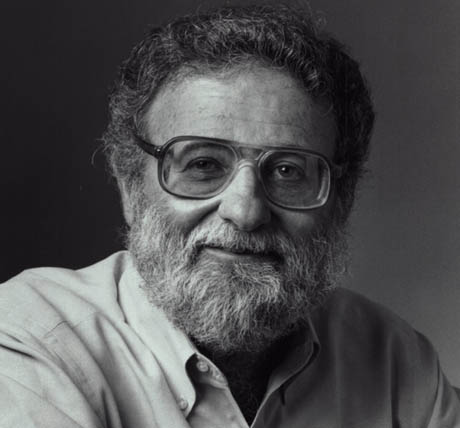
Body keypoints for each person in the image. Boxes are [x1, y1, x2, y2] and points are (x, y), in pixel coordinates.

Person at [0, 4, 459, 427]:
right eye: (202, 164)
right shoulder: (31, 339)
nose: (245, 211)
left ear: (343, 200)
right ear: (130, 187)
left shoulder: (396, 361)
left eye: (287, 171)